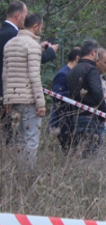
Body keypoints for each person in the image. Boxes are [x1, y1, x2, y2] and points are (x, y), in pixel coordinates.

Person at [2, 12, 46, 169]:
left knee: (20, 140)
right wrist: (41, 103)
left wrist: (8, 99)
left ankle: (19, 176)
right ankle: (28, 177)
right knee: (31, 141)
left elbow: (5, 75)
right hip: (29, 101)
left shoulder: (9, 44)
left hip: (13, 101)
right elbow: (34, 76)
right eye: (41, 27)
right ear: (35, 26)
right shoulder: (33, 46)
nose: (41, 30)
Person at [66, 39, 106, 155]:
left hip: (75, 117)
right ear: (93, 52)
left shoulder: (73, 71)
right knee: (93, 154)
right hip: (90, 118)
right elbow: (97, 92)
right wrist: (103, 113)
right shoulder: (91, 70)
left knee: (81, 153)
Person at [0, 1, 27, 145]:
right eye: (25, 15)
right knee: (10, 135)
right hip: (8, 92)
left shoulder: (2, 32)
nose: (26, 19)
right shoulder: (14, 36)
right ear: (18, 15)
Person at [49, 47, 80, 152]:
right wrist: (79, 95)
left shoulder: (72, 73)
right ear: (78, 59)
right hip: (63, 122)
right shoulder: (63, 74)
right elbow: (58, 96)